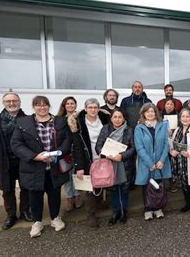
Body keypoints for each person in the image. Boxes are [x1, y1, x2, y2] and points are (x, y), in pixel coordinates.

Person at [11, 96, 71, 238]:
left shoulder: (60, 122)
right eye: (38, 105)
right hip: (33, 167)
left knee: (55, 194)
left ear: (49, 106)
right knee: (35, 195)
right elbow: (16, 144)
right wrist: (35, 156)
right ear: (34, 107)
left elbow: (67, 141)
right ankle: (37, 222)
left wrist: (58, 154)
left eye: (45, 105)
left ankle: (55, 218)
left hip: (54, 166)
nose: (42, 107)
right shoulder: (23, 123)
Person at [0, 92, 32, 230]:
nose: (12, 103)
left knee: (26, 188)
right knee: (7, 190)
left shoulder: (28, 119)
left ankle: (25, 211)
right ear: (3, 103)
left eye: (14, 101)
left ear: (19, 102)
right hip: (4, 162)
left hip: (24, 161)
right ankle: (11, 215)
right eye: (8, 101)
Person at [68, 98, 110, 228]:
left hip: (103, 157)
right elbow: (77, 147)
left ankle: (98, 201)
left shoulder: (104, 120)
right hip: (87, 158)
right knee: (90, 188)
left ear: (98, 108)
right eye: (90, 107)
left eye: (95, 107)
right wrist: (79, 166)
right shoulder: (78, 123)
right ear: (85, 109)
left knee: (102, 181)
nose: (93, 110)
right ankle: (90, 215)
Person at [95, 108, 136, 225]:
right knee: (113, 189)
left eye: (120, 117)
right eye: (115, 117)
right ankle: (115, 212)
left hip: (124, 164)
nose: (117, 119)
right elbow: (98, 146)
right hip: (109, 164)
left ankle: (123, 211)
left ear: (124, 119)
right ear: (111, 118)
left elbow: (133, 148)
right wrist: (106, 154)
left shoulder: (129, 130)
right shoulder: (105, 129)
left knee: (124, 189)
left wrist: (122, 156)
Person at [134, 103, 172, 221]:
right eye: (148, 111)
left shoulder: (163, 125)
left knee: (158, 185)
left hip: (160, 162)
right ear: (143, 113)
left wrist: (162, 160)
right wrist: (150, 164)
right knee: (146, 186)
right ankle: (148, 209)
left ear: (156, 113)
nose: (150, 113)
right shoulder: (139, 128)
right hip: (147, 164)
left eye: (152, 111)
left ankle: (158, 208)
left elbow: (167, 144)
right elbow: (139, 148)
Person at [57, 96, 84, 212]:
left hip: (77, 150)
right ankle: (69, 198)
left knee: (77, 174)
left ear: (75, 105)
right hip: (65, 152)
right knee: (67, 177)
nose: (70, 105)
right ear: (64, 105)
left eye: (72, 103)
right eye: (67, 104)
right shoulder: (58, 119)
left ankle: (78, 196)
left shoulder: (80, 117)